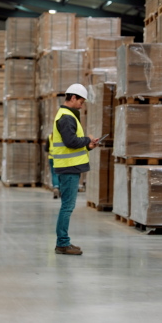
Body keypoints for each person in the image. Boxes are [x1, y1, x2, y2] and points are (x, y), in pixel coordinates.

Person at [52, 84, 99, 255]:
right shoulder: (65, 117)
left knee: (67, 206)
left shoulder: (69, 115)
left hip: (71, 166)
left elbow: (73, 146)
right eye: (81, 101)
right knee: (67, 206)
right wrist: (87, 139)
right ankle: (62, 243)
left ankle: (63, 242)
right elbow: (70, 142)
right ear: (73, 98)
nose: (82, 105)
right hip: (68, 168)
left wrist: (89, 146)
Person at [44, 133, 60, 199]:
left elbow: (46, 149)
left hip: (51, 158)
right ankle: (61, 190)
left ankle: (56, 187)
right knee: (61, 174)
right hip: (60, 158)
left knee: (54, 174)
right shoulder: (62, 136)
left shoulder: (50, 137)